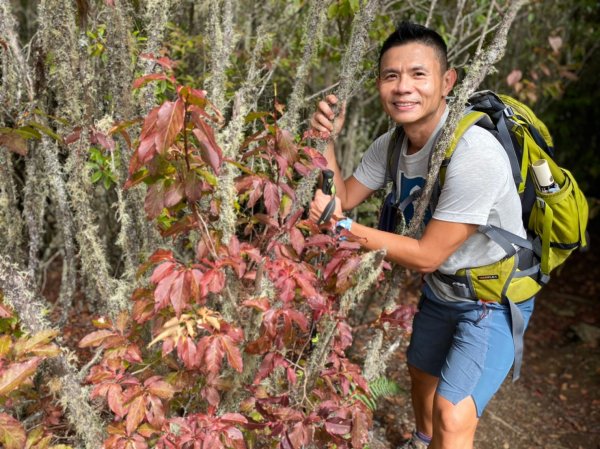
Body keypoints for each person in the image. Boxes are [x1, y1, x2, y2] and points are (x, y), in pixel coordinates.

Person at [308, 22, 535, 449]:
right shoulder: (392, 145)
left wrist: (342, 226)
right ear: (379, 84)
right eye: (391, 76)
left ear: (447, 82)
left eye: (418, 74)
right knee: (421, 377)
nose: (402, 88)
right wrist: (325, 141)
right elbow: (343, 196)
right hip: (442, 291)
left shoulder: (474, 154)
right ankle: (420, 440)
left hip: (491, 299)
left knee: (452, 415)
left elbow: (427, 254)